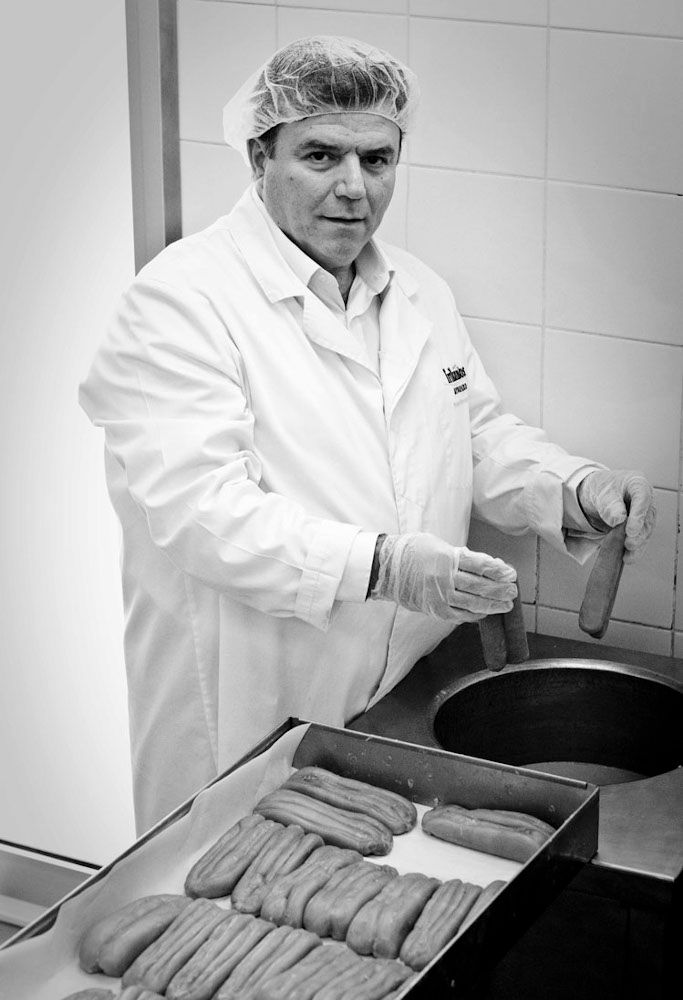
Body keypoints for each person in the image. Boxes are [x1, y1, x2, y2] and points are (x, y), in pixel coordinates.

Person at [80, 36, 656, 834]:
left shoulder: (416, 288)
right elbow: (202, 513)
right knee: (237, 929)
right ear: (259, 156)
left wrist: (573, 490)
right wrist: (382, 564)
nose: (354, 189)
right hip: (254, 716)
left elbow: (474, 431)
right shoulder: (178, 303)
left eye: (377, 160)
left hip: (399, 700)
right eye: (320, 155)